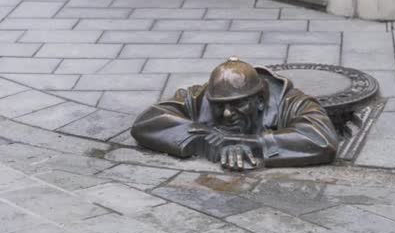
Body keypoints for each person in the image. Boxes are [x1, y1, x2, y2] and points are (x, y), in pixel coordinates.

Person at [131, 57, 340, 170]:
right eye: (219, 105)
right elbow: (148, 121)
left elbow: (321, 140)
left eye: (238, 104)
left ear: (259, 101)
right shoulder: (200, 96)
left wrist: (249, 143)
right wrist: (203, 138)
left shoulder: (291, 102)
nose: (227, 114)